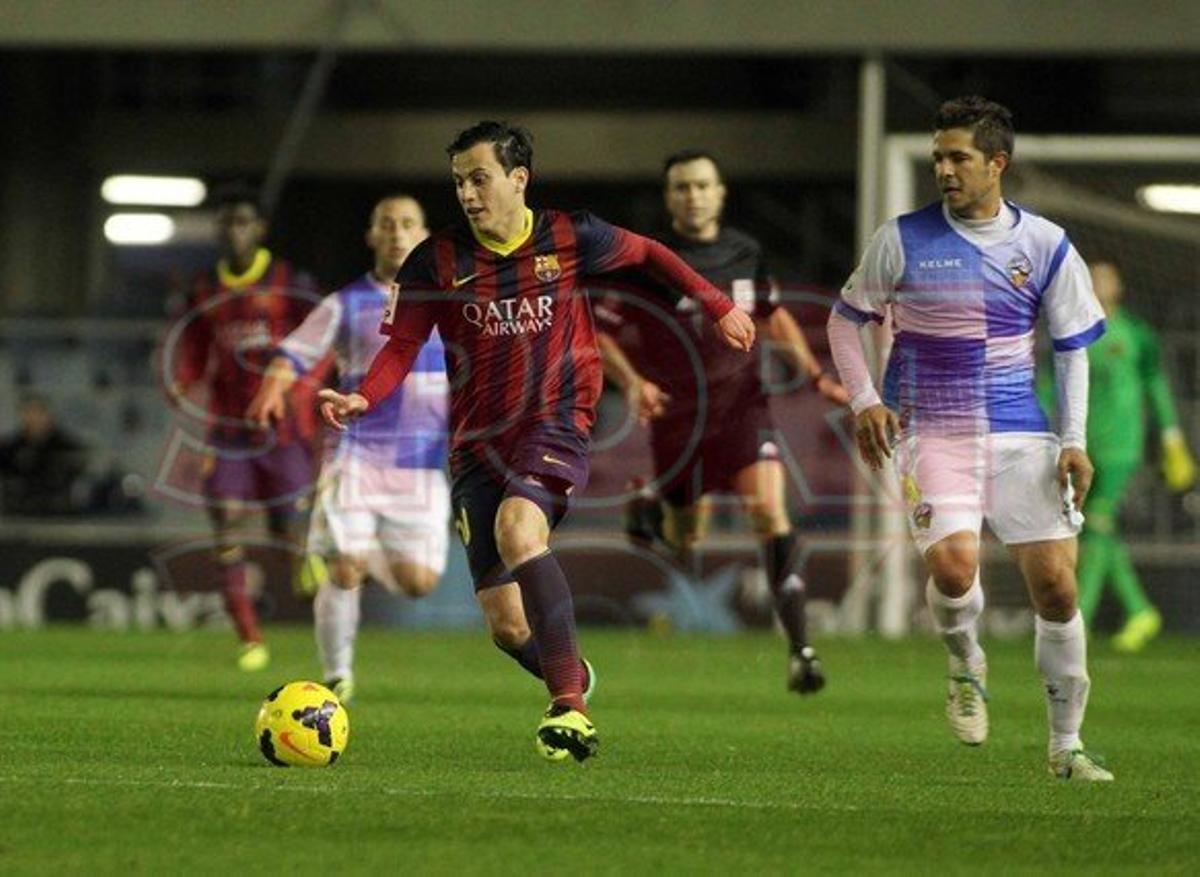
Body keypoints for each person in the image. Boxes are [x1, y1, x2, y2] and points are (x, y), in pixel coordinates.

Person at [318, 121, 755, 762]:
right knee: (506, 625)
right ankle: (570, 671)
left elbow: (649, 253)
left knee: (520, 532)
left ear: (518, 178)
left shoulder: (570, 234)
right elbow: (402, 346)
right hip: (477, 444)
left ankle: (569, 707)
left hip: (556, 419)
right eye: (459, 182)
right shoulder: (434, 261)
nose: (467, 194)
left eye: (479, 179)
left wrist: (717, 304)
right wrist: (363, 397)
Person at [826, 96, 1113, 781]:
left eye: (959, 158)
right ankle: (966, 662)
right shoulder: (902, 238)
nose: (945, 170)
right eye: (938, 158)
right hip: (933, 429)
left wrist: (1073, 440)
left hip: (1021, 431)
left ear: (997, 163)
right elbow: (844, 321)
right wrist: (865, 400)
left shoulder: (1045, 244)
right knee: (955, 570)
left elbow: (1072, 348)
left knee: (1057, 588)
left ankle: (1066, 746)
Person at [596, 149, 848, 694]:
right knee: (685, 539)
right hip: (678, 421)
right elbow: (601, 333)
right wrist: (633, 382)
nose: (693, 196)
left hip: (742, 408)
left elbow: (772, 316)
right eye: (682, 187)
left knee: (769, 512)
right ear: (670, 198)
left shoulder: (743, 252)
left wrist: (812, 374)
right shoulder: (647, 262)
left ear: (720, 193)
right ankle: (650, 512)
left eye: (702, 185)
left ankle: (801, 649)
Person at [248, 195, 449, 703]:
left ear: (424, 235)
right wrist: (272, 389)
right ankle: (337, 673)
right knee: (344, 569)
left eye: (408, 224)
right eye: (388, 224)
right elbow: (294, 354)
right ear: (371, 236)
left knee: (418, 582)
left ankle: (346, 553)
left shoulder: (450, 302)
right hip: (356, 456)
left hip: (421, 465)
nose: (397, 233)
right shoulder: (347, 302)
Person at [168, 183, 323, 672]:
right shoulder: (204, 289)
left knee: (289, 530)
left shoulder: (290, 282)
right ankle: (249, 636)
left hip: (283, 430)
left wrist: (304, 390)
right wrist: (183, 378)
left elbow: (322, 337)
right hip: (228, 431)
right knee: (227, 520)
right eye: (227, 222)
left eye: (243, 222)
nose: (234, 231)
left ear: (260, 228)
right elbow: (193, 344)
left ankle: (305, 564)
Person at [1046, 261, 1195, 652]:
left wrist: (1172, 437)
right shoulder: (1072, 329)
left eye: (1104, 279)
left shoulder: (1137, 334)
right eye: (1091, 278)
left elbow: (1156, 384)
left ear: (1118, 288)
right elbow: (1049, 382)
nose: (1097, 284)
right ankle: (1140, 609)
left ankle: (1080, 618)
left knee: (1096, 522)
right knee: (1095, 528)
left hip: (1121, 448)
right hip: (1082, 445)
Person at [0, 394, 89, 515]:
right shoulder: (9, 448)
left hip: (58, 515)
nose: (35, 418)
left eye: (39, 412)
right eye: (30, 412)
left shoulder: (67, 446)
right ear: (22, 415)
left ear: (49, 415)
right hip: (18, 514)